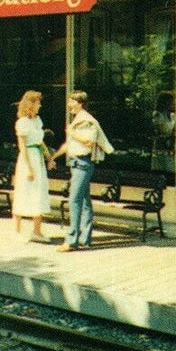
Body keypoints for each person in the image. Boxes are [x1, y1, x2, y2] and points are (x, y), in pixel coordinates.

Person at [49, 91, 113, 251]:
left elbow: (89, 142)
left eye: (71, 101)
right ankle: (85, 238)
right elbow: (69, 145)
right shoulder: (78, 120)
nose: (69, 104)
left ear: (80, 103)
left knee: (74, 200)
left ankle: (71, 241)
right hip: (77, 163)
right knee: (84, 202)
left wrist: (72, 133)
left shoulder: (86, 120)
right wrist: (53, 156)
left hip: (83, 163)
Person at [11, 90, 51, 242]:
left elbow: (40, 142)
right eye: (38, 102)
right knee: (23, 191)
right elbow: (22, 146)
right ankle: (17, 229)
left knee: (38, 193)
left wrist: (48, 158)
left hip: (38, 158)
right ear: (31, 104)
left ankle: (37, 231)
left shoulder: (37, 121)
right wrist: (28, 168)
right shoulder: (22, 122)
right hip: (27, 159)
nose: (40, 105)